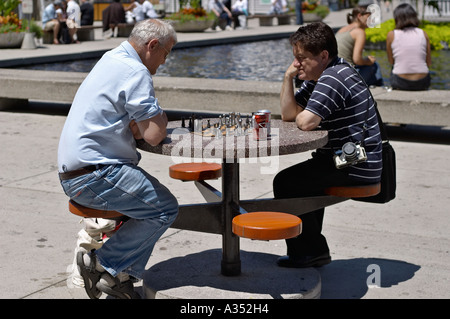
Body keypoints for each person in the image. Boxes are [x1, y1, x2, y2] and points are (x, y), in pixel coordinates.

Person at [58, 19, 179, 299]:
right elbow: (153, 135)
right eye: (166, 53)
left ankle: (117, 279)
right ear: (152, 46)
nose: (164, 61)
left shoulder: (111, 58)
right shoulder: (135, 71)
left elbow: (138, 126)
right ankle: (102, 264)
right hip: (96, 175)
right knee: (164, 209)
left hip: (76, 171)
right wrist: (159, 116)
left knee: (150, 205)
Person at [274, 22, 382, 268]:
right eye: (294, 58)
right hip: (348, 157)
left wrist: (304, 114)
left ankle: (309, 251)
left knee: (287, 182)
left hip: (357, 160)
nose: (297, 64)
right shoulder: (322, 74)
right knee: (303, 180)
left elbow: (306, 121)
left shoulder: (334, 76)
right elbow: (289, 114)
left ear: (323, 56)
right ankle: (313, 249)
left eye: (302, 58)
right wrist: (287, 76)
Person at [386, 3, 431, 91]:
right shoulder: (423, 33)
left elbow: (391, 61)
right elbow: (428, 62)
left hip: (400, 82)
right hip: (422, 82)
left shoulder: (391, 35)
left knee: (394, 67)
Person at [335, 5, 384, 86]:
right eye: (369, 17)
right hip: (347, 77)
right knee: (375, 65)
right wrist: (368, 61)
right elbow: (357, 59)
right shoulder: (359, 32)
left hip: (336, 74)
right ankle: (381, 90)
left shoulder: (342, 29)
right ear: (359, 16)